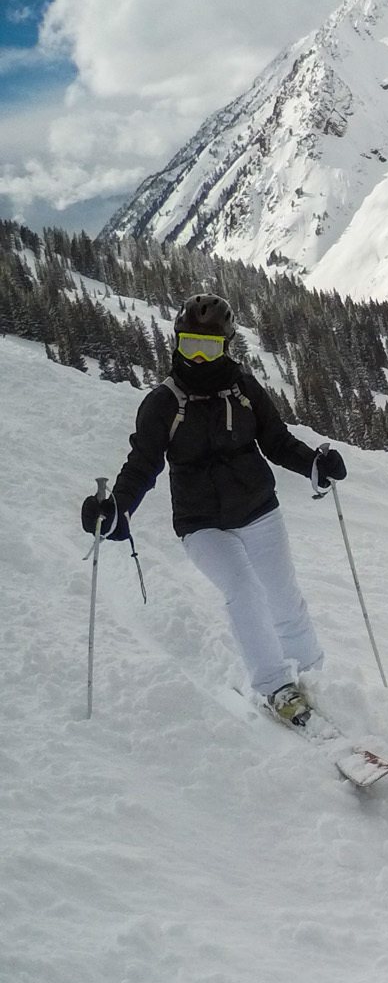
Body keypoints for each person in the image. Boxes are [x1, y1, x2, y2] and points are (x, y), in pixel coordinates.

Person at [79, 294, 347, 728]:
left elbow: (276, 441)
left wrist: (315, 465)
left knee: (283, 595)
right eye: (191, 347)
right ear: (177, 343)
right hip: (200, 523)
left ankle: (314, 677)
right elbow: (142, 464)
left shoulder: (243, 388)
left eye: (211, 348)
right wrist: (116, 511)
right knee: (244, 591)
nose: (200, 360)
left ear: (227, 346)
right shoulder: (163, 403)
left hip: (259, 508)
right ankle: (276, 687)